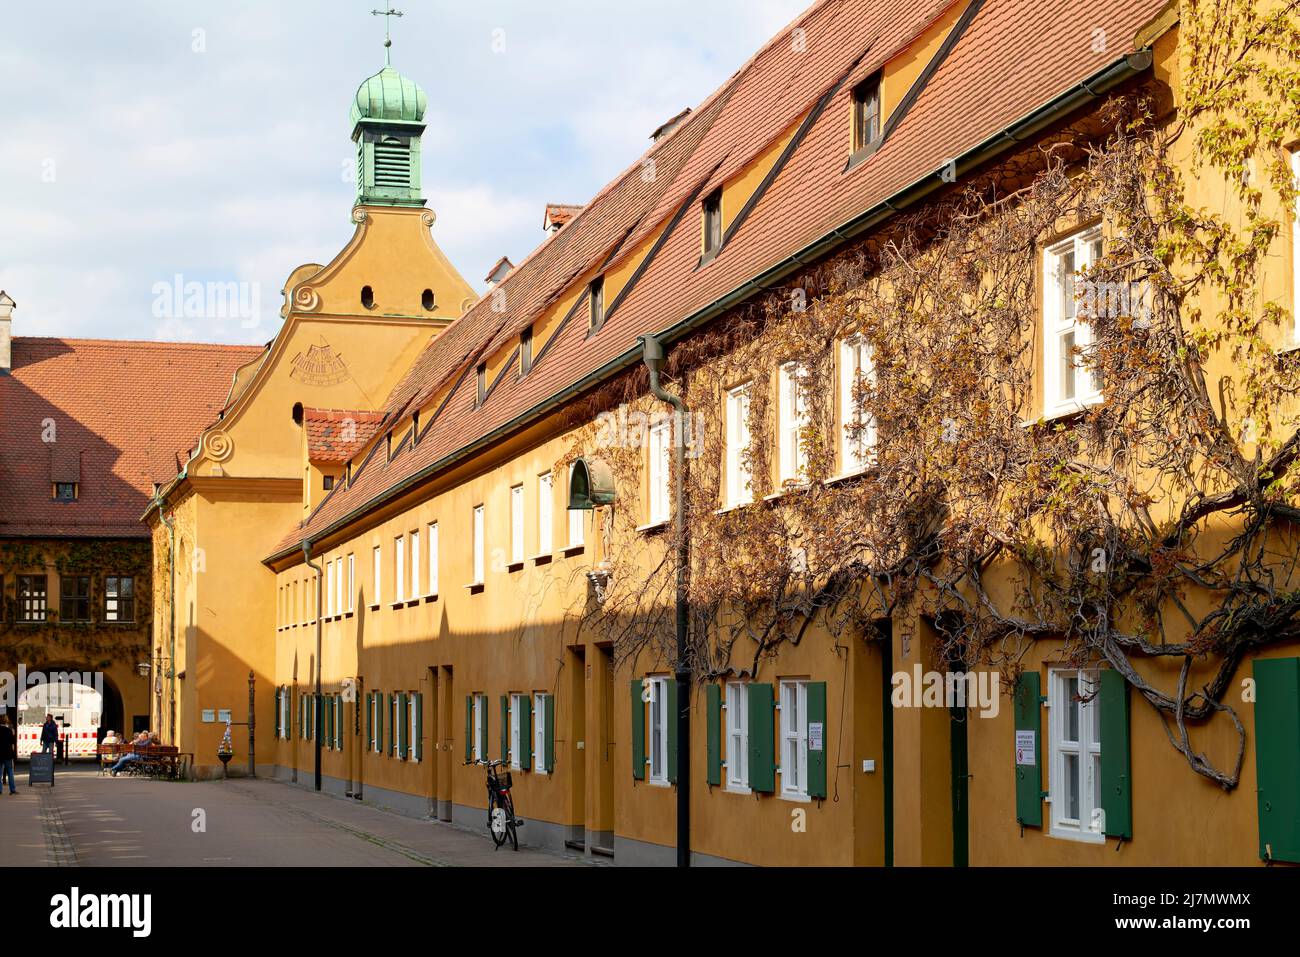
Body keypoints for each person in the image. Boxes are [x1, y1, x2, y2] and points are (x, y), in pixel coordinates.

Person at [0, 716, 17, 795]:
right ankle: (12, 790)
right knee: (10, 772)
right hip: (8, 754)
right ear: (6, 721)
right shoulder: (9, 730)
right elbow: (13, 742)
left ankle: (0, 790)